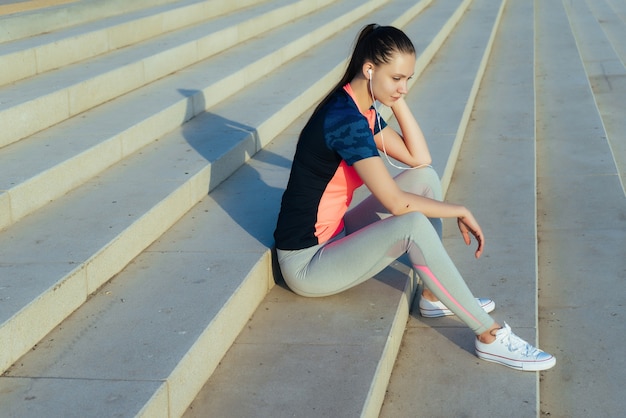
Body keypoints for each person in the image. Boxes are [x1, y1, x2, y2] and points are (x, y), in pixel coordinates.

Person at [273, 24, 555, 371]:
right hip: (307, 262)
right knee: (412, 224)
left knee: (424, 178)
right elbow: (395, 203)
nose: (403, 87)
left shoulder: (361, 109)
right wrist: (458, 209)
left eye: (408, 79)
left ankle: (434, 295)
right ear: (369, 69)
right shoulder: (343, 121)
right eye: (397, 78)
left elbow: (419, 159)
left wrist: (394, 97)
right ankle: (489, 336)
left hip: (337, 232)